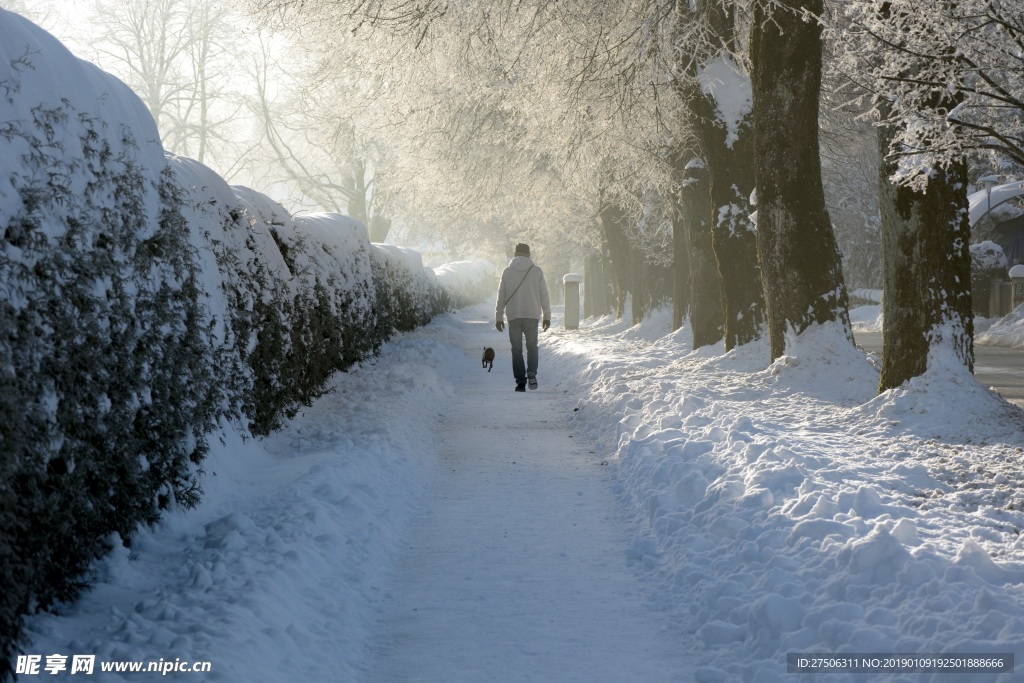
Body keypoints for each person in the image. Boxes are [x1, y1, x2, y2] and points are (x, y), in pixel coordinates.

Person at [495, 243, 551, 392]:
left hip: (514, 316)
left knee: (516, 350)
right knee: (532, 347)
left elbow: (501, 296)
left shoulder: (507, 272)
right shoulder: (537, 271)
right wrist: (547, 316)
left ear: (515, 254)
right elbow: (544, 296)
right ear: (529, 254)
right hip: (532, 315)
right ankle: (531, 371)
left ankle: (520, 382)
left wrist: (499, 317)